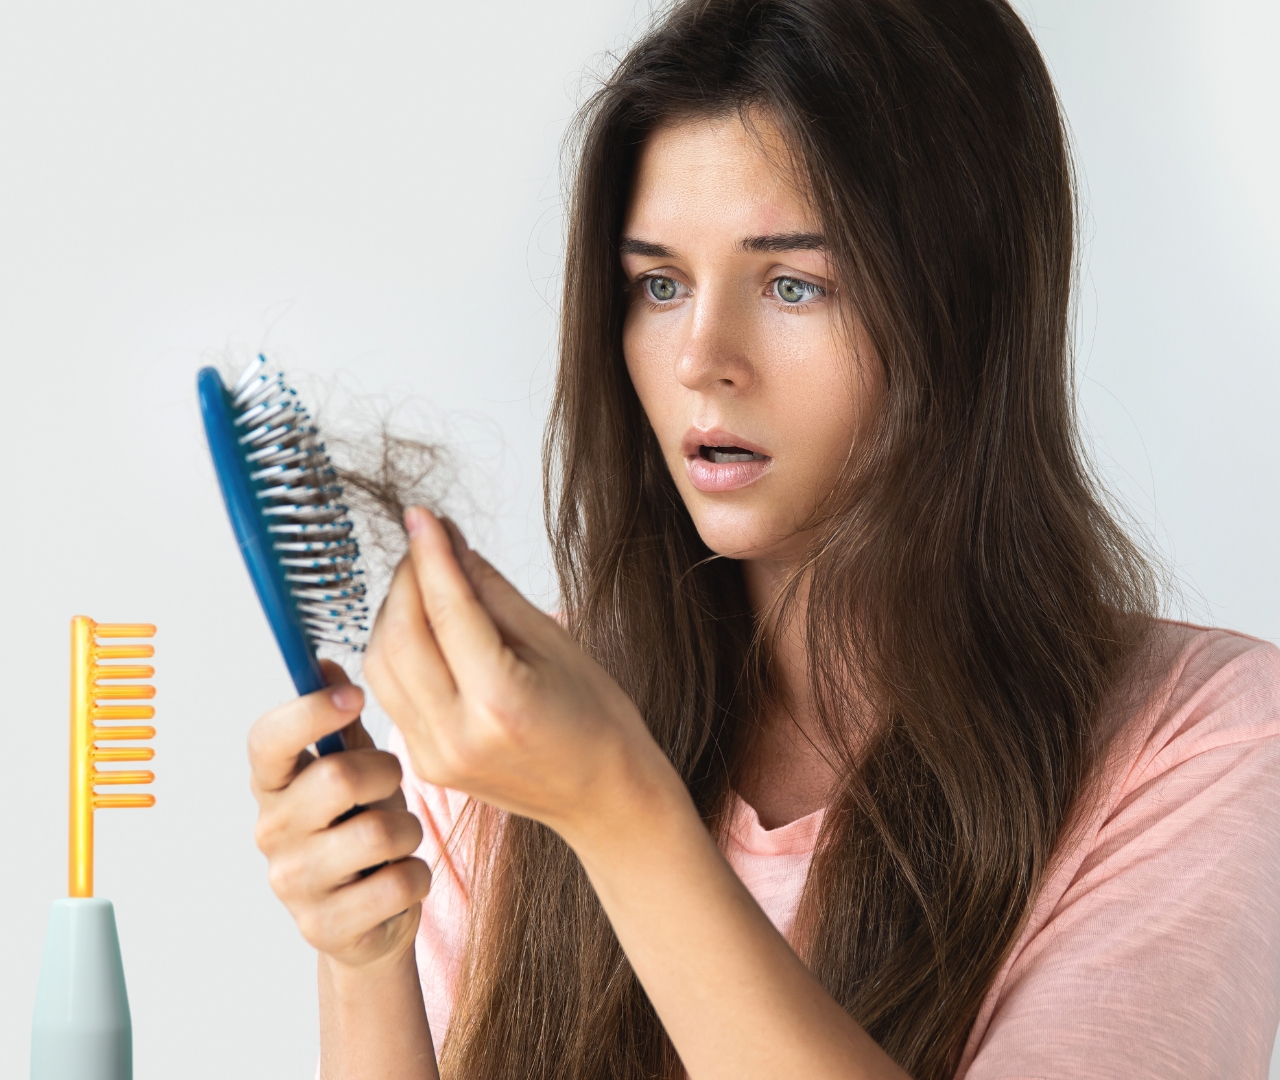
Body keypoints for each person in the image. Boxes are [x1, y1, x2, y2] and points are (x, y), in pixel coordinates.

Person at [246, 1, 1280, 1077]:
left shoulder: (1198, 742)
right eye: (658, 284)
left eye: (791, 284)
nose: (700, 359)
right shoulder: (504, 740)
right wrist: (362, 957)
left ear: (965, 311)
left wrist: (616, 806)